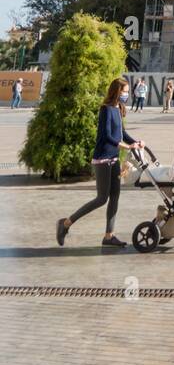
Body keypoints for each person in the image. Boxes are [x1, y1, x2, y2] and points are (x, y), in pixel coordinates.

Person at [55, 77, 143, 249]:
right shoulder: (106, 109)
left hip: (114, 159)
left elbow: (122, 132)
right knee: (102, 198)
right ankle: (65, 223)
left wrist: (136, 142)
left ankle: (109, 236)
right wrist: (127, 146)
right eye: (124, 91)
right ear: (117, 91)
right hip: (102, 159)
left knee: (115, 196)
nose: (126, 94)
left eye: (127, 91)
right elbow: (107, 136)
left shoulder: (118, 108)